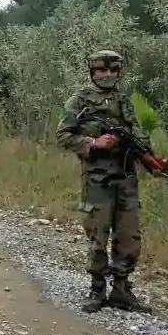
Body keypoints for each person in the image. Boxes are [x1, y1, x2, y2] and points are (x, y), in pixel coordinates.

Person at [55, 50, 153, 314]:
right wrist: (93, 142)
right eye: (102, 70)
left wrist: (148, 156)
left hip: (126, 179)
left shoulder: (124, 101)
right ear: (93, 72)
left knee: (129, 236)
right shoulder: (79, 101)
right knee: (97, 236)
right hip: (97, 180)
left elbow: (138, 134)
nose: (108, 75)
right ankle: (97, 289)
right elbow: (63, 135)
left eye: (113, 70)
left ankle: (121, 290)